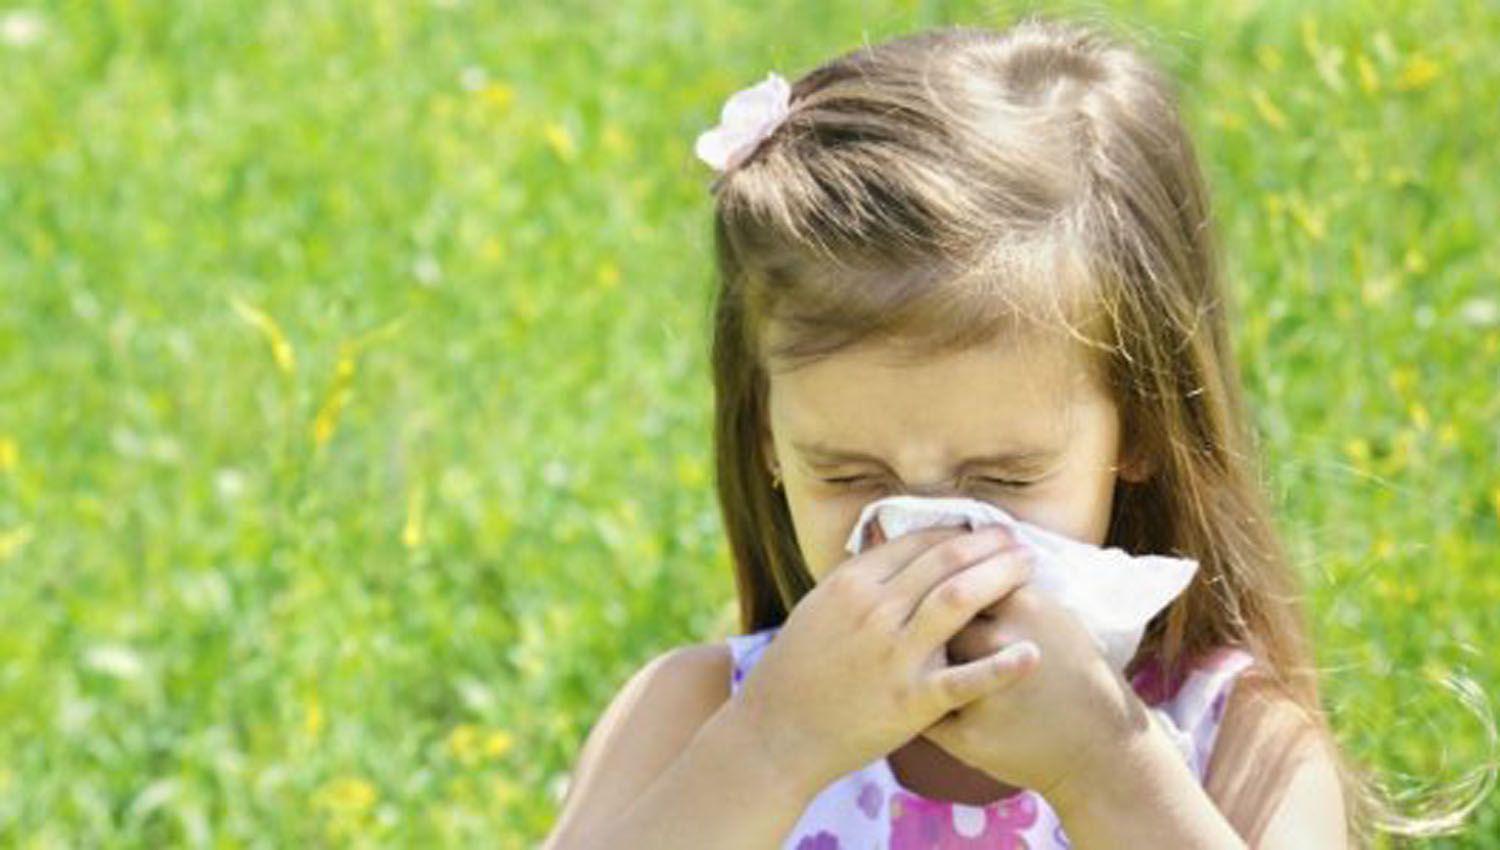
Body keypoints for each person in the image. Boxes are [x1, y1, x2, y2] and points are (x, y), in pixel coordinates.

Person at [542, 16, 1468, 850]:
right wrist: (774, 749)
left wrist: (1102, 768)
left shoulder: (1228, 740)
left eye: (1003, 478)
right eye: (849, 473)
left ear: (1137, 430)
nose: (931, 538)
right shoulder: (699, 715)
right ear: (768, 448)